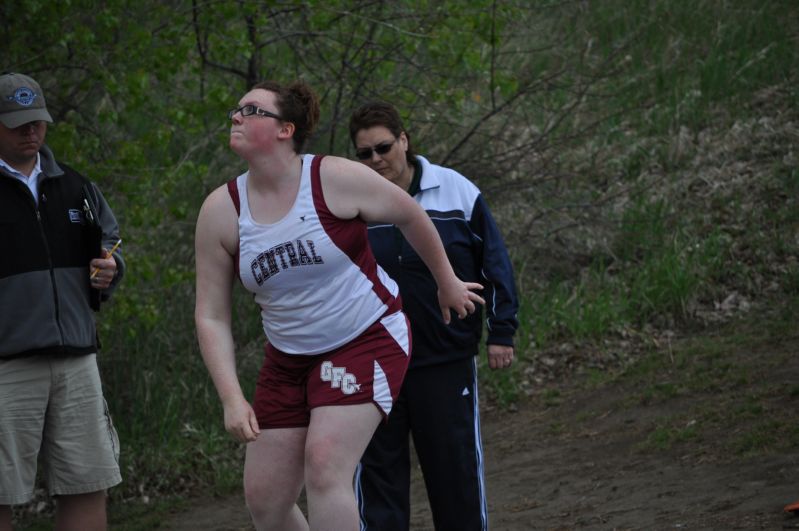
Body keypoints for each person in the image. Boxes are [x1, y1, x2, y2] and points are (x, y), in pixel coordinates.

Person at [194, 80, 484, 531]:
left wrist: (446, 281)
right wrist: (231, 398)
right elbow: (211, 313)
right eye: (237, 109)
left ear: (285, 129)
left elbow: (409, 212)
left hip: (365, 338)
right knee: (266, 501)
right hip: (288, 361)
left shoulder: (329, 177)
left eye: (251, 110)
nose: (236, 116)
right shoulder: (221, 210)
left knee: (326, 465)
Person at [349, 101, 519, 531]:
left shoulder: (456, 190)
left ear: (404, 140)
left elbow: (494, 262)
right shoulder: (350, 203)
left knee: (455, 477)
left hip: (444, 360)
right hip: (374, 366)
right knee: (378, 484)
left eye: (383, 147)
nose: (375, 159)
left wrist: (502, 330)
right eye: (364, 153)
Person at [0, 73, 125, 531]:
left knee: (87, 483)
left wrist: (111, 270)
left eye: (36, 121)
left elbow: (110, 247)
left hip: (77, 360)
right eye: (16, 123)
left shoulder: (77, 188)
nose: (30, 131)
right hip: (6, 365)